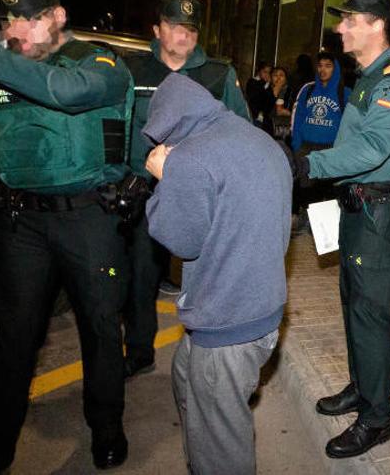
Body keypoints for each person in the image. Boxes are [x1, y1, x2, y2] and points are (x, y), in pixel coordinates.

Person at [0, 0, 133, 471]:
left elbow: (67, 93)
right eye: (4, 23)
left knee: (100, 327)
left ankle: (106, 427)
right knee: (12, 336)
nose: (14, 30)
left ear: (56, 15)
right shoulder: (2, 70)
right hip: (22, 223)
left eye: (26, 18)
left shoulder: (96, 63)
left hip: (88, 218)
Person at [293, 0, 390, 459]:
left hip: (379, 213)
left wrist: (311, 165)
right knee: (354, 305)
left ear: (375, 26)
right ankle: (362, 386)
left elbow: (371, 150)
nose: (340, 28)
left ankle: (378, 417)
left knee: (371, 312)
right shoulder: (367, 77)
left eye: (349, 20)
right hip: (356, 207)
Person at [142, 72, 291, 475]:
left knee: (222, 447)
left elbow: (180, 241)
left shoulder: (190, 159)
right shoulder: (261, 140)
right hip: (264, 309)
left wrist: (165, 178)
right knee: (185, 377)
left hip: (227, 322)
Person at [121, 0, 251, 378]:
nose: (185, 36)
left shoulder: (217, 74)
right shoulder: (134, 71)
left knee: (204, 273)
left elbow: (241, 131)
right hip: (146, 191)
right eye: (176, 27)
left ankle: (204, 351)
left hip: (203, 194)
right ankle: (140, 348)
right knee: (141, 275)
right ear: (158, 29)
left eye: (191, 29)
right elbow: (121, 127)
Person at [290, 52, 352, 216]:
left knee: (328, 192)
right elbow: (297, 117)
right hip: (306, 147)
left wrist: (342, 148)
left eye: (328, 66)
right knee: (306, 190)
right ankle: (306, 223)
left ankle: (325, 230)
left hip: (330, 149)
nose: (323, 70)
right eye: (320, 65)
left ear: (335, 69)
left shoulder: (344, 93)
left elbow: (350, 123)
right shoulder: (308, 90)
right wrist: (297, 145)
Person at [246, 61, 275, 129]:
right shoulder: (252, 82)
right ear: (259, 71)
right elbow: (255, 97)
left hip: (264, 116)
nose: (267, 75)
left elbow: (269, 100)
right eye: (265, 72)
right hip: (254, 114)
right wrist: (266, 85)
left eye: (269, 73)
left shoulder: (268, 85)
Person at [269, 66, 294, 141]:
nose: (278, 78)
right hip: (268, 128)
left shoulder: (291, 92)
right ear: (271, 78)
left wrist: (288, 112)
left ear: (286, 79)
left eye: (281, 75)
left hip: (285, 130)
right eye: (275, 75)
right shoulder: (266, 91)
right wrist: (275, 91)